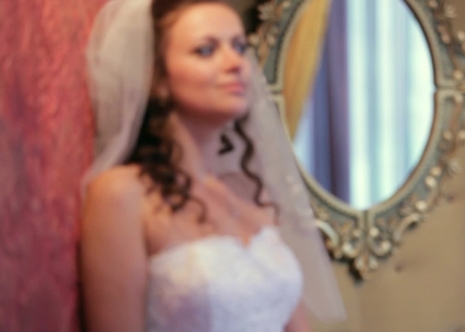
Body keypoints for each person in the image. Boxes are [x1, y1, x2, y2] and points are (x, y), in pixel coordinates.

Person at [79, 0, 345, 331]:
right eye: (206, 50)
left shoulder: (250, 192)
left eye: (238, 46)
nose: (235, 63)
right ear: (157, 79)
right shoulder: (122, 195)